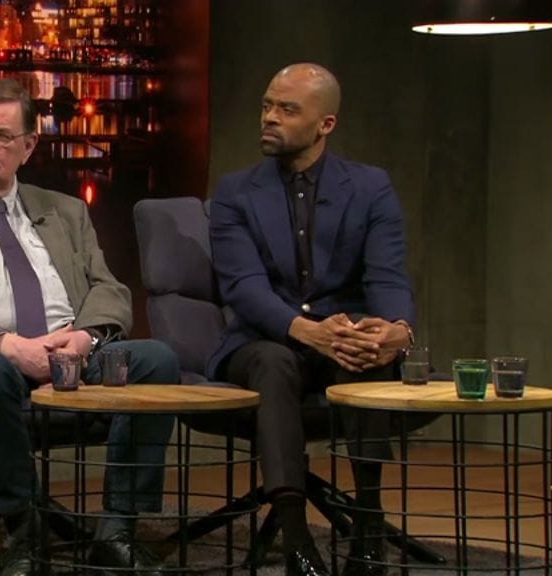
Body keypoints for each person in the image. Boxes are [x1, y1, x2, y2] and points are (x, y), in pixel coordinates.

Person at [0, 78, 180, 576]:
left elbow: (108, 288)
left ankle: (116, 530)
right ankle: (23, 528)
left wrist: (84, 338)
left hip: (70, 356)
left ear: (28, 146)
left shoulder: (64, 210)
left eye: (0, 136)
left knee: (156, 361)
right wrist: (5, 343)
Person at [207, 63, 415, 576]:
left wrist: (395, 329)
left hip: (341, 337)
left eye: (287, 109)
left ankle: (368, 524)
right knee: (275, 362)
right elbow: (243, 287)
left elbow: (387, 274)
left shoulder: (370, 187)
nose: (269, 118)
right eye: (266, 106)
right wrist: (307, 331)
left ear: (326, 124)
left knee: (366, 350)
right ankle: (296, 535)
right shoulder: (236, 193)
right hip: (264, 340)